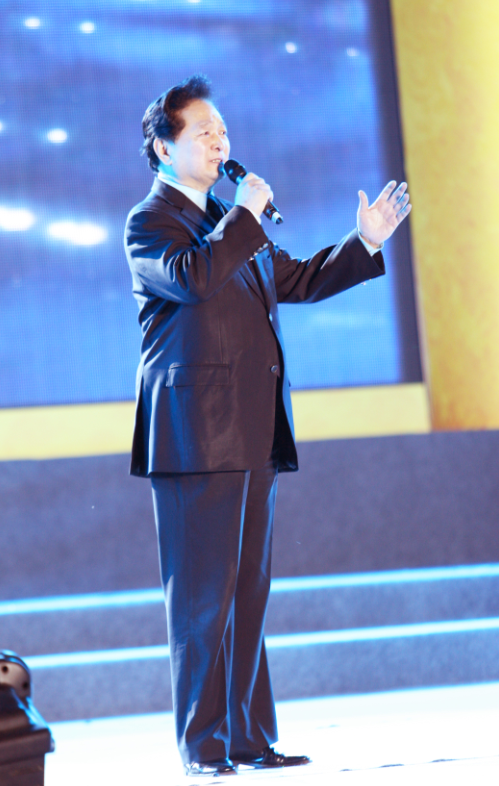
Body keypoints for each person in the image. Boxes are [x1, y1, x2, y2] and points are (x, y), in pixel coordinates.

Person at [124, 74, 411, 777]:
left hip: (252, 430)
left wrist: (363, 241)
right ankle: (203, 749)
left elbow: (297, 280)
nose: (221, 143)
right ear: (164, 147)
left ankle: (249, 740)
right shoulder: (151, 222)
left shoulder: (231, 221)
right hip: (194, 437)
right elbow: (192, 279)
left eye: (223, 131)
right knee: (202, 602)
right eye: (204, 133)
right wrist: (244, 217)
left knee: (246, 593)